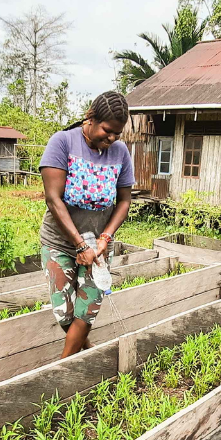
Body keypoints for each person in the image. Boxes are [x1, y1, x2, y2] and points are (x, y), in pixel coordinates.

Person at [39, 91, 134, 358]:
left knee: (87, 309)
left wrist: (105, 238)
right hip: (60, 243)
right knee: (65, 313)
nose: (112, 138)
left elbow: (124, 201)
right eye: (107, 130)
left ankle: (64, 368)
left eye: (117, 133)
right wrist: (80, 245)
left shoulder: (120, 152)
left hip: (99, 245)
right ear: (90, 118)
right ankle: (84, 348)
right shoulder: (63, 142)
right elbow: (53, 199)